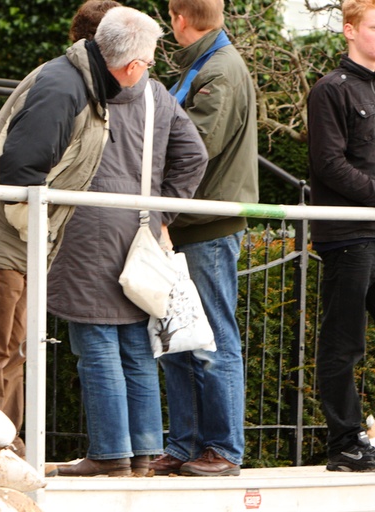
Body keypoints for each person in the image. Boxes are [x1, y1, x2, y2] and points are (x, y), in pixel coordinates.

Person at [0, 7, 165, 443]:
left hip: (13, 241)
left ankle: (2, 449)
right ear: (133, 66)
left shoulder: (79, 82)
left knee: (7, 352)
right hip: (0, 243)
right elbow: (19, 175)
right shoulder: (64, 87)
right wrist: (40, 240)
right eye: (150, 64)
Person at [52, 2, 208, 477]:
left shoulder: (74, 86)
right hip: (138, 231)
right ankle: (142, 452)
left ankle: (109, 453)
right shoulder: (155, 96)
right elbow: (194, 156)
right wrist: (162, 211)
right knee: (138, 349)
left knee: (95, 342)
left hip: (82, 230)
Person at [148, 0, 257, 477]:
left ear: (178, 19)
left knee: (212, 337)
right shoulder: (208, 67)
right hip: (189, 224)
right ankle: (188, 444)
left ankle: (223, 450)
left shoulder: (219, 72)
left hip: (205, 227)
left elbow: (193, 150)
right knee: (180, 339)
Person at [307, 0, 375, 472]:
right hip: (349, 235)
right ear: (349, 30)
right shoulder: (330, 91)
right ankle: (345, 444)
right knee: (343, 342)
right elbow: (328, 165)